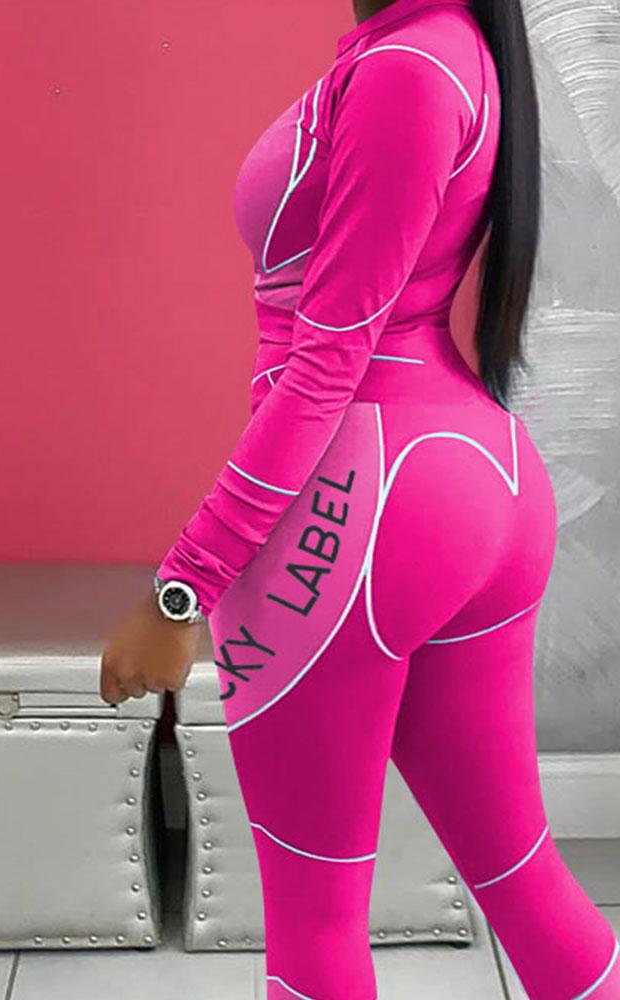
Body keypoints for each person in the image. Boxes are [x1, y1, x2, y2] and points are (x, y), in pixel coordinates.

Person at [100, 0, 620, 996]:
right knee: (520, 876)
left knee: (315, 918)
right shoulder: (445, 51)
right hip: (471, 483)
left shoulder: (407, 69)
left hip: (363, 502)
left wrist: (179, 590)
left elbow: (325, 363)